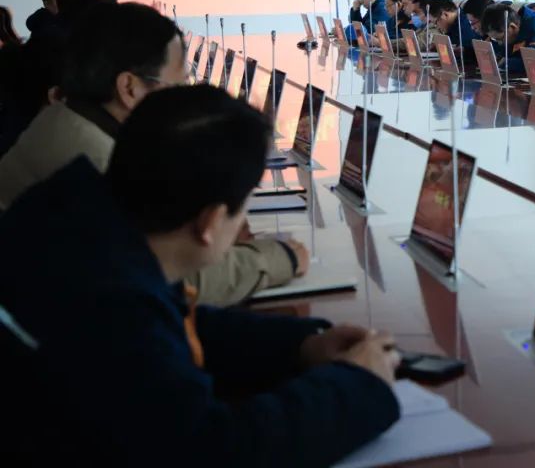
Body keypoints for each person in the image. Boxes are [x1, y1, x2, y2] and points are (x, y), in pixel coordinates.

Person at [0, 85, 401, 466]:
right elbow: (213, 450)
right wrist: (357, 385)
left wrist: (301, 346)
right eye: (242, 207)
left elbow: (174, 325)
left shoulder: (77, 223)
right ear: (210, 222)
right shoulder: (112, 300)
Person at [0, 2, 305, 306]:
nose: (184, 96)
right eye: (178, 84)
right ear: (129, 88)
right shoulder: (92, 162)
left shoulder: (69, 121)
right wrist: (280, 257)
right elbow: (175, 280)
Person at [480, 2, 535, 73]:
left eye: (500, 39)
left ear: (512, 27)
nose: (500, 43)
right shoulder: (517, 27)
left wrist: (504, 62)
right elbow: (508, 51)